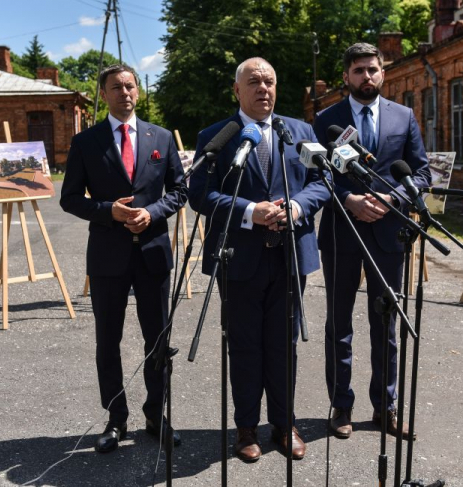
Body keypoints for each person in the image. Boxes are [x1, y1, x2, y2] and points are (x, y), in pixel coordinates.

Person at [188, 57, 330, 462]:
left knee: (284, 346)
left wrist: (298, 207)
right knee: (245, 345)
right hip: (239, 258)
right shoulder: (217, 136)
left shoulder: (299, 132)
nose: (263, 88)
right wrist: (251, 212)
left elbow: (323, 181)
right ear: (237, 90)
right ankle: (247, 428)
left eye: (269, 81)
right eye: (254, 82)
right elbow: (201, 194)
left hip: (289, 257)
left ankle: (284, 426)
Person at [60, 64, 187, 453]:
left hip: (151, 254)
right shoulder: (86, 141)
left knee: (158, 340)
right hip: (108, 257)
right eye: (116, 87)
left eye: (130, 86)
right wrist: (107, 211)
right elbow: (69, 199)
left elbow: (180, 191)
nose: (125, 92)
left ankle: (155, 415)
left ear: (138, 91)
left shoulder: (161, 138)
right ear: (104, 93)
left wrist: (154, 212)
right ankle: (116, 419)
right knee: (107, 341)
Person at [313, 43, 431, 441]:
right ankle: (340, 407)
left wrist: (392, 197)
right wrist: (348, 199)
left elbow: (421, 172)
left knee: (386, 323)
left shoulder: (404, 116)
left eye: (374, 70)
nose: (367, 77)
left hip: (387, 230)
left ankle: (387, 407)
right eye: (359, 71)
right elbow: (315, 178)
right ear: (346, 76)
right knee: (339, 324)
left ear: (384, 74)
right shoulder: (326, 119)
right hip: (341, 231)